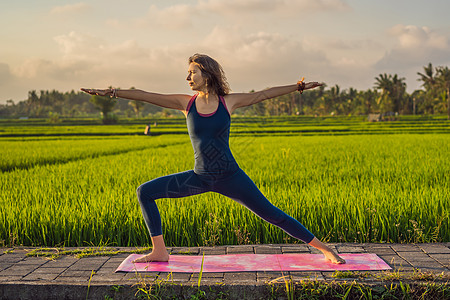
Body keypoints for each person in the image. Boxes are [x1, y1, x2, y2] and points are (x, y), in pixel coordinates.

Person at [81, 53, 345, 264]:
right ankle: (159, 251)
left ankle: (325, 249)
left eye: (192, 72)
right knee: (145, 192)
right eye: (188, 73)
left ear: (207, 74)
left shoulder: (227, 102)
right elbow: (146, 95)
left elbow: (263, 94)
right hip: (200, 177)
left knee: (272, 214)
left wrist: (298, 86)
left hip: (231, 177)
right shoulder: (185, 103)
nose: (188, 77)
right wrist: (112, 92)